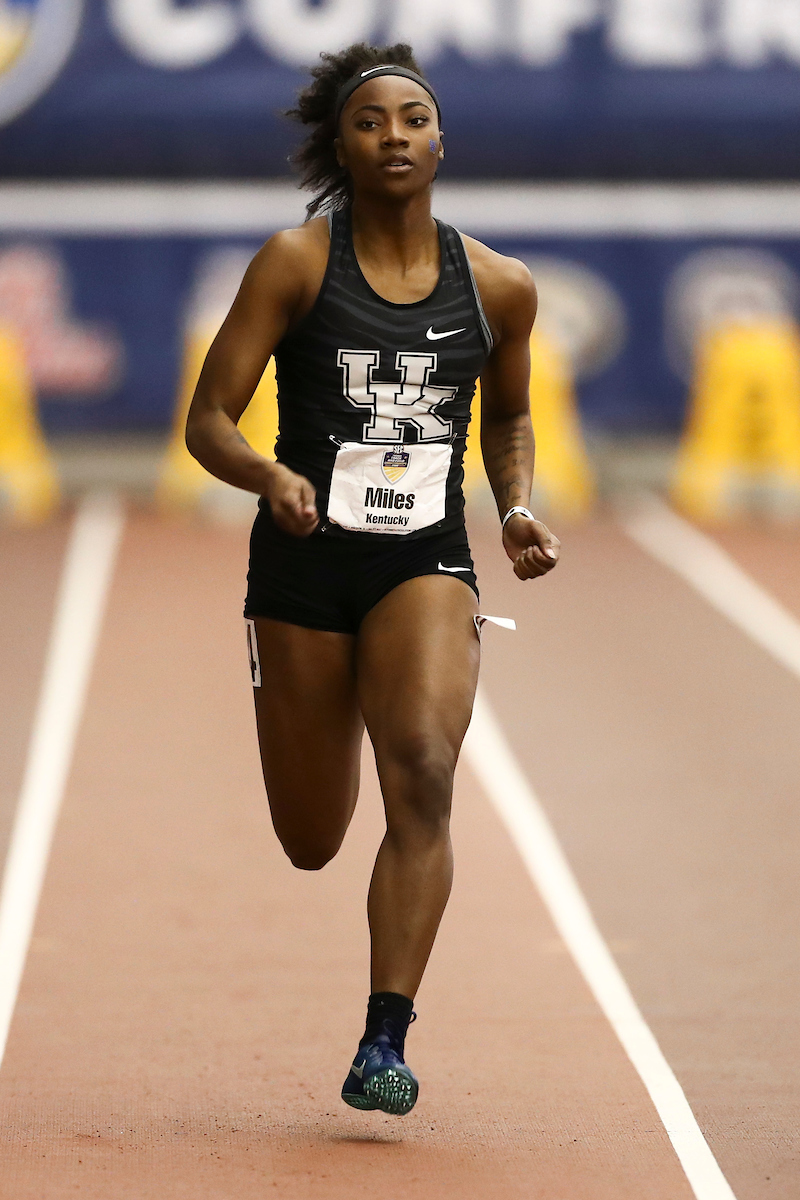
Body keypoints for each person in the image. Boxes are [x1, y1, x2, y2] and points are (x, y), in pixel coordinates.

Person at [185, 41, 560, 1117]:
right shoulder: (297, 263)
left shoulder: (498, 283)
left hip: (421, 558)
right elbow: (206, 418)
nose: (392, 135)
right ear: (339, 146)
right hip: (301, 564)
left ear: (440, 140)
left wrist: (518, 505)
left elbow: (512, 414)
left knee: (425, 769)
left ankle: (383, 1038)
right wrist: (267, 474)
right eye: (369, 122)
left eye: (411, 118)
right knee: (311, 840)